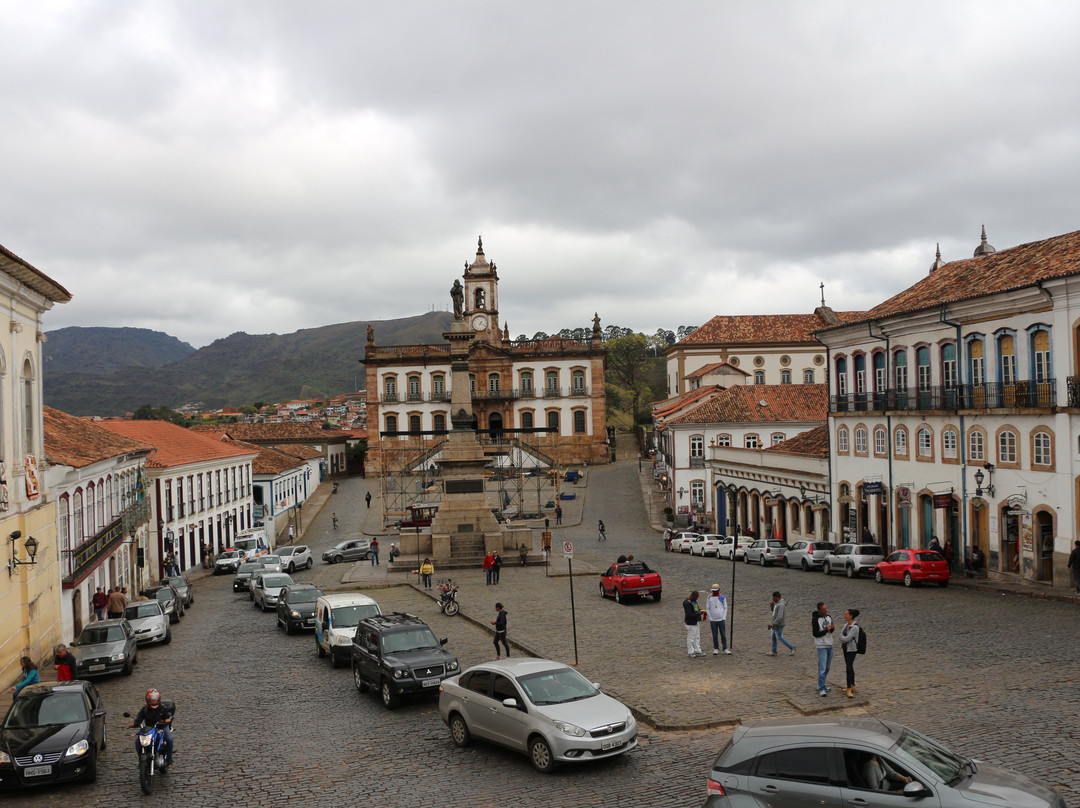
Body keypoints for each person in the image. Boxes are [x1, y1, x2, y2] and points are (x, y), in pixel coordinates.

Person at [129, 689, 174, 766]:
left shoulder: (163, 708)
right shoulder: (145, 709)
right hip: (149, 728)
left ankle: (169, 758)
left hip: (161, 727)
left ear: (158, 700)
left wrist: (168, 719)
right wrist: (135, 723)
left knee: (169, 739)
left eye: (155, 700)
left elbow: (170, 715)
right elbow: (139, 717)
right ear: (148, 700)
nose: (153, 702)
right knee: (138, 741)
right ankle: (141, 758)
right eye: (151, 700)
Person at [812, 602, 835, 696]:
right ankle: (821, 688)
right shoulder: (815, 619)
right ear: (819, 610)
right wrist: (827, 630)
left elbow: (831, 630)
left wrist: (831, 628)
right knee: (822, 667)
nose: (826, 610)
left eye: (826, 608)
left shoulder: (829, 617)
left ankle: (821, 683)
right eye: (824, 609)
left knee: (827, 667)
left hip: (829, 644)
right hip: (821, 646)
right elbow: (816, 634)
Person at [838, 608, 861, 698]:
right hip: (845, 648)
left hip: (851, 649)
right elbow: (841, 635)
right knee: (849, 666)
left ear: (851, 616)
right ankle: (852, 685)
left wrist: (842, 638)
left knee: (849, 667)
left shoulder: (855, 627)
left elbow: (847, 638)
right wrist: (843, 638)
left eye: (846, 614)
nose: (845, 616)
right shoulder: (845, 625)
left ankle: (849, 688)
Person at [768, 591, 796, 655]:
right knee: (773, 637)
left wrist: (773, 624)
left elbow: (779, 616)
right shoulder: (777, 604)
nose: (772, 599)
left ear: (777, 598)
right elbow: (774, 612)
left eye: (773, 597)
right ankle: (773, 651)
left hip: (778, 625)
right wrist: (772, 605)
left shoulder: (780, 605)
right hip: (776, 624)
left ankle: (792, 647)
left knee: (779, 638)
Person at [705, 585, 730, 655]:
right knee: (714, 634)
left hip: (721, 619)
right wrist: (710, 617)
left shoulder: (722, 597)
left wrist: (723, 617)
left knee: (723, 634)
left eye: (715, 591)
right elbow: (707, 608)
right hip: (713, 620)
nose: (714, 592)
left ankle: (725, 648)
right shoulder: (709, 597)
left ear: (718, 590)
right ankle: (716, 648)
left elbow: (725, 607)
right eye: (713, 591)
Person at [683, 590, 705, 658]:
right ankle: (691, 652)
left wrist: (701, 611)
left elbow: (696, 609)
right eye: (696, 598)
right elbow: (690, 614)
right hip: (691, 623)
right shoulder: (687, 603)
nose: (696, 599)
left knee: (697, 637)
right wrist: (698, 613)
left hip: (696, 621)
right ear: (692, 596)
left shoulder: (693, 601)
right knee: (691, 638)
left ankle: (698, 650)